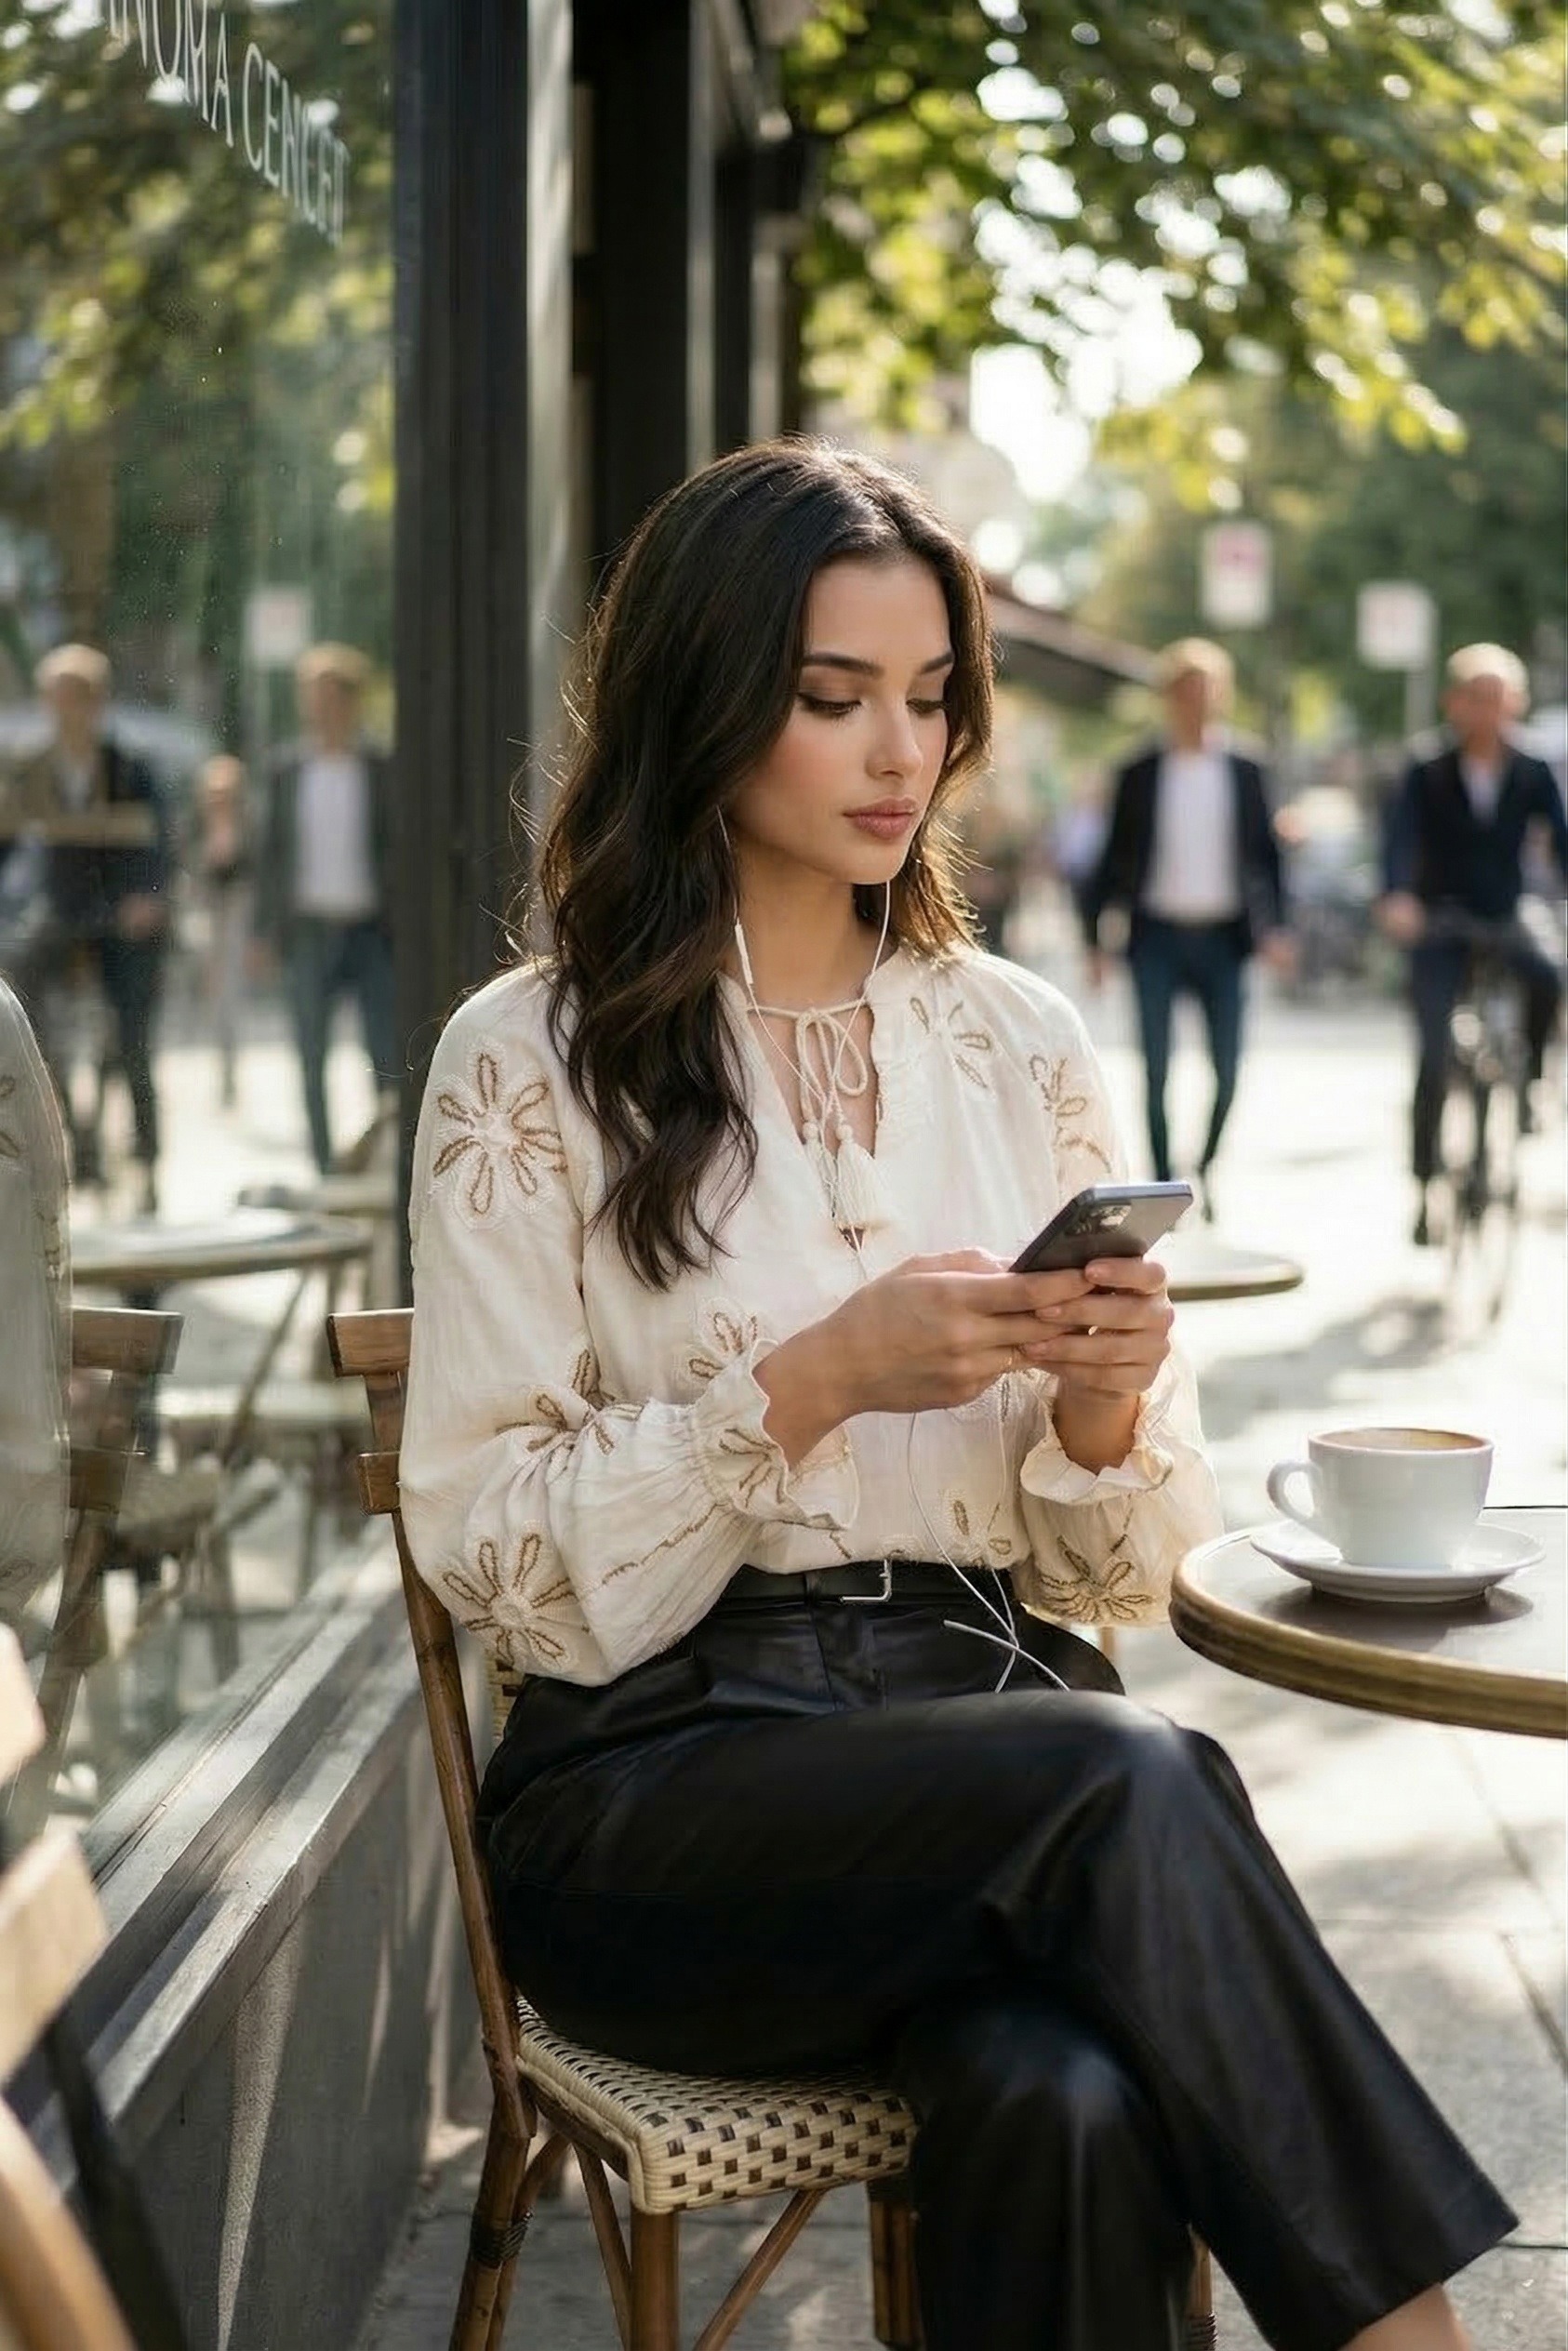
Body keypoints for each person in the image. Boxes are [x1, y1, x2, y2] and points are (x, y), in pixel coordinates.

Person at [399, 444, 1508, 2351]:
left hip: (988, 1730)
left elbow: (1112, 1560)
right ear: (705, 695)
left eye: (930, 698)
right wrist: (813, 1382)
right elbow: (497, 1559)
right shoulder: (531, 1058)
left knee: (1061, 2096)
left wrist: (1097, 1408)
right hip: (661, 1791)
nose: (899, 751)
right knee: (1134, 1768)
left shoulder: (1017, 1040)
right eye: (835, 699)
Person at [1080, 641, 1293, 1220]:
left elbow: (1268, 858)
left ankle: (1208, 1164)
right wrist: (1094, 941)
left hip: (1226, 938)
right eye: (1183, 692)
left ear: (1220, 697)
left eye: (1205, 691)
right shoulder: (1139, 773)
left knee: (1227, 1068)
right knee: (1156, 1067)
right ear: (1167, 698)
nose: (1195, 703)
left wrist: (1279, 930)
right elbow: (1110, 862)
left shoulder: (1246, 770)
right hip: (1156, 938)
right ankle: (1166, 1184)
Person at [1379, 643, 1568, 1246]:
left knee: (1548, 976)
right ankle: (1426, 1177)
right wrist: (1398, 896)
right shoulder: (1425, 767)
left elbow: (1560, 842)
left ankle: (1532, 1079)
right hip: (1440, 922)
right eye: (1477, 698)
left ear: (1515, 703)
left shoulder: (1532, 768)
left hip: (1504, 914)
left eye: (1500, 699)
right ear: (1454, 703)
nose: (1489, 711)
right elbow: (1399, 840)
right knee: (1434, 1052)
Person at [1, 644, 168, 1211]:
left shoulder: (132, 768)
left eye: (78, 697)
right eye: (58, 698)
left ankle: (146, 1157)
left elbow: (160, 843)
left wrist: (147, 898)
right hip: (60, 914)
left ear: (97, 703)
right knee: (35, 1029)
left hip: (120, 915)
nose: (67, 710)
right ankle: (76, 1143)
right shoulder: (31, 769)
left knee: (133, 1036)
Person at [251, 643, 396, 1173]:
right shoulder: (288, 770)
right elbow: (271, 855)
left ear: (353, 702)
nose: (322, 709)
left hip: (370, 929)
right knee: (310, 1056)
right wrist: (262, 933)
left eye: (333, 697)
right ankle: (322, 1168)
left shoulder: (381, 767)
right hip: (309, 928)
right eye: (314, 698)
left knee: (384, 1055)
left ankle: (383, 1159)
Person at [190, 754, 253, 1109]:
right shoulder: (196, 827)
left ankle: (228, 1070)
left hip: (235, 913)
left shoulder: (247, 827)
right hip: (206, 913)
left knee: (229, 998)